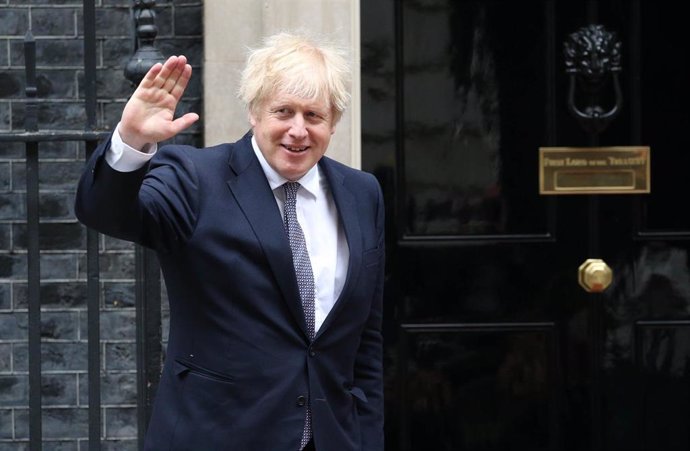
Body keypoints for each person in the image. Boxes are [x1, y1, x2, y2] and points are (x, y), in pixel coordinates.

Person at [75, 32, 385, 451]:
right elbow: (105, 213)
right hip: (216, 436)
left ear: (333, 123)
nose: (298, 130)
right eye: (283, 111)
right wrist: (131, 142)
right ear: (254, 111)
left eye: (314, 115)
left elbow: (365, 343)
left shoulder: (362, 194)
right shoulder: (194, 178)